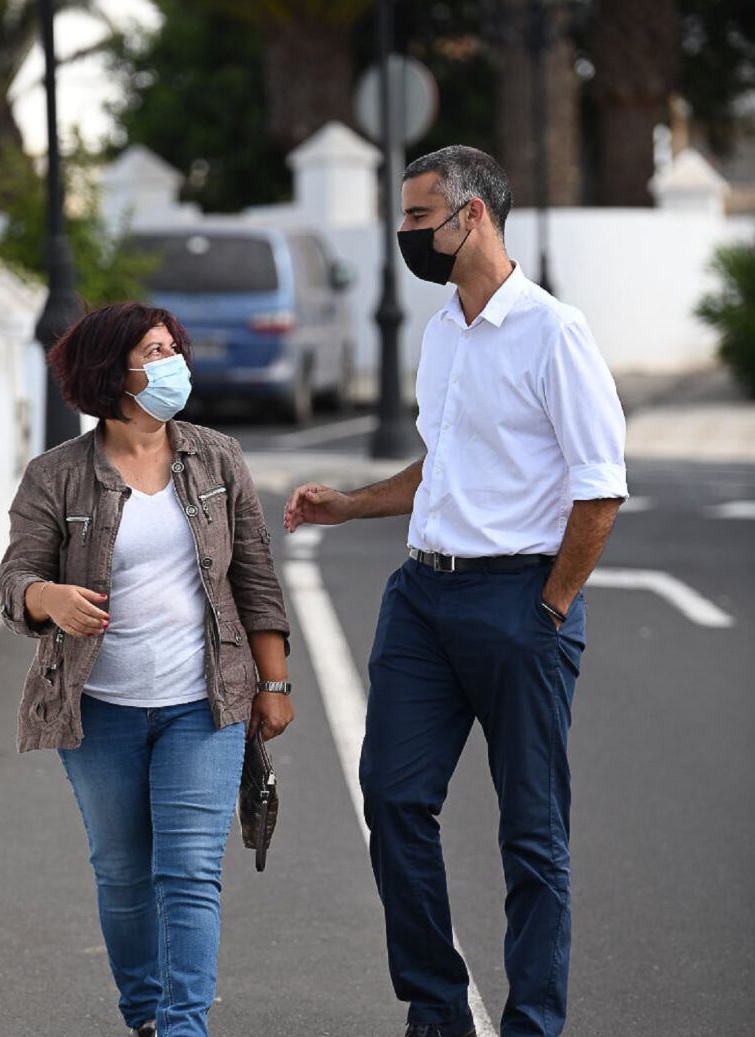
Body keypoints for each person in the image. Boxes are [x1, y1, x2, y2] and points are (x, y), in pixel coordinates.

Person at [284, 146, 627, 1037]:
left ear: (471, 215)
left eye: (416, 216)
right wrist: (349, 504)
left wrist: (549, 607)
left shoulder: (554, 332)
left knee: (531, 834)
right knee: (393, 797)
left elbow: (599, 488)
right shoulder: (443, 331)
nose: (404, 234)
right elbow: (443, 465)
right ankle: (437, 1010)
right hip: (423, 600)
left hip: (519, 602)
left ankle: (532, 1024)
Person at [0, 301, 293, 1037]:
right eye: (153, 352)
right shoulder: (56, 476)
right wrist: (48, 597)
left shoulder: (216, 457)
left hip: (205, 702)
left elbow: (254, 574)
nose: (172, 364)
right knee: (124, 876)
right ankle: (146, 1015)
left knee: (189, 872)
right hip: (97, 709)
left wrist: (274, 680)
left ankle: (183, 1025)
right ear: (111, 372)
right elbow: (15, 580)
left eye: (173, 348)